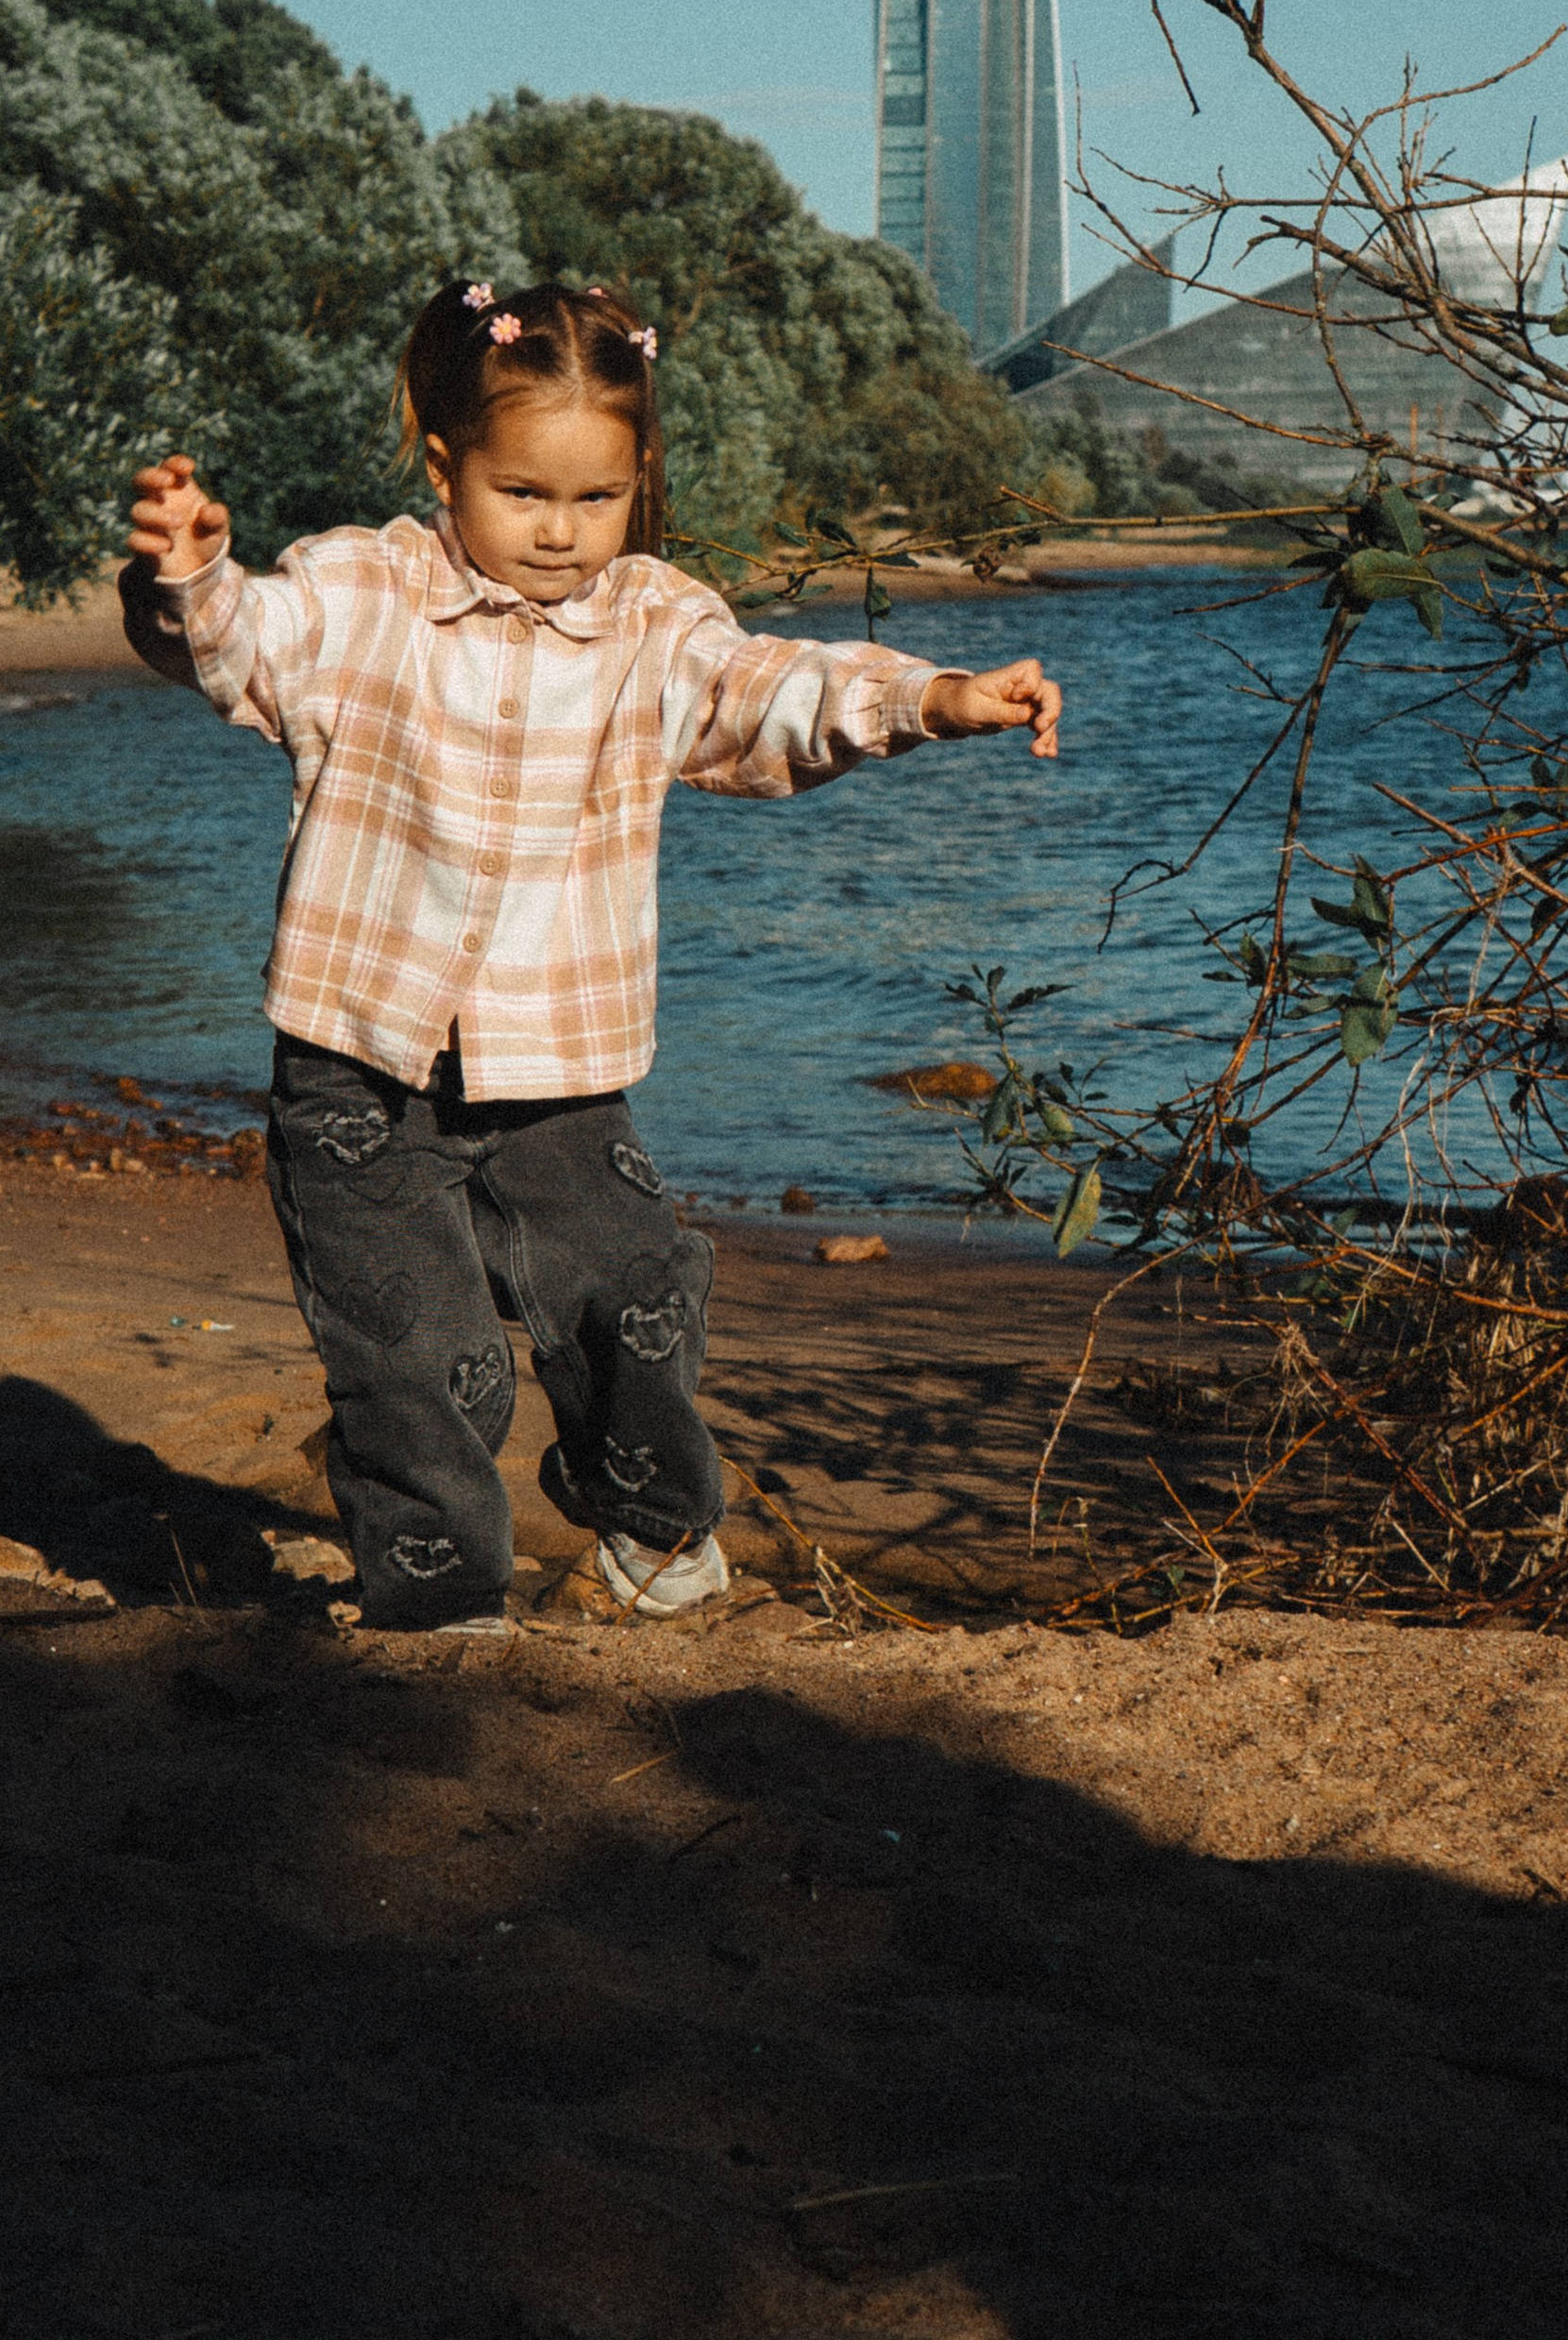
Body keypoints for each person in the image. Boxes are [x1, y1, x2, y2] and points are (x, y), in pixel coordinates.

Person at [123, 275, 1061, 1636]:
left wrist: (929, 698)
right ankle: (440, 1608)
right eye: (523, 495)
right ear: (445, 464)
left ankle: (653, 1521)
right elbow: (234, 646)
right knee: (417, 1354)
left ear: (638, 481)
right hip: (356, 1071)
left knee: (637, 1299)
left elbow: (771, 691)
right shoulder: (360, 590)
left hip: (561, 1067)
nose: (562, 534)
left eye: (596, 499)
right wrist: (191, 575)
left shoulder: (654, 624)